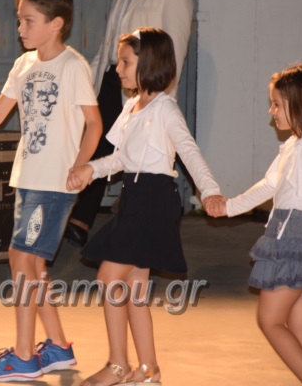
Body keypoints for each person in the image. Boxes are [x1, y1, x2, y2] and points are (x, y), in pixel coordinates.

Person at [0, 0, 103, 381]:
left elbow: (95, 124)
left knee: (21, 259)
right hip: (27, 178)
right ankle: (58, 347)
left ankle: (24, 355)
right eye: (19, 21)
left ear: (56, 23)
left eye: (29, 21)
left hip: (54, 183)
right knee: (32, 265)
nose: (20, 29)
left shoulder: (73, 66)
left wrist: (79, 167)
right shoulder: (23, 65)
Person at [67, 27, 222, 386]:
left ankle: (117, 365)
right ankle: (149, 370)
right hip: (133, 198)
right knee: (135, 288)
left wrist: (210, 191)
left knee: (109, 277)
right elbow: (123, 158)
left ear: (149, 63)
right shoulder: (132, 106)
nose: (118, 69)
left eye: (125, 62)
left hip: (154, 200)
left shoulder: (166, 109)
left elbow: (190, 152)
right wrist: (90, 169)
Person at [208, 64, 302, 386]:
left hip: (297, 236)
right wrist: (229, 207)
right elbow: (269, 185)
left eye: (277, 105)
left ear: (301, 105)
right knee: (300, 325)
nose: (271, 112)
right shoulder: (296, 145)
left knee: (269, 320)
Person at [64, 0, 194, 247]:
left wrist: (161, 97)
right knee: (100, 141)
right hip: (112, 77)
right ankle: (81, 218)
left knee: (138, 150)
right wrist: (89, 80)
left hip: (144, 84)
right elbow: (109, 43)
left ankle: (145, 215)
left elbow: (174, 50)